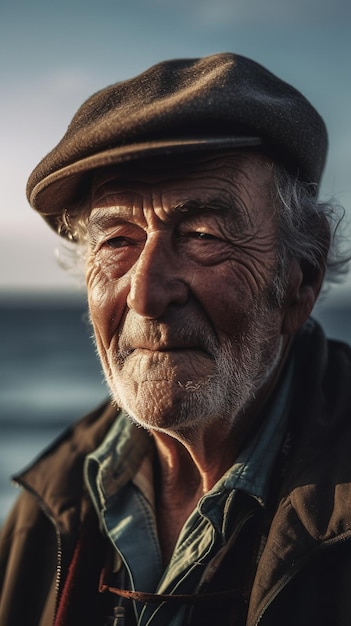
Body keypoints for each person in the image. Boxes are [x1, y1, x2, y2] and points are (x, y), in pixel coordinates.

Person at [0, 52, 351, 626]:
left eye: (202, 233)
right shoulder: (48, 506)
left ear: (300, 276)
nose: (145, 292)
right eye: (116, 241)